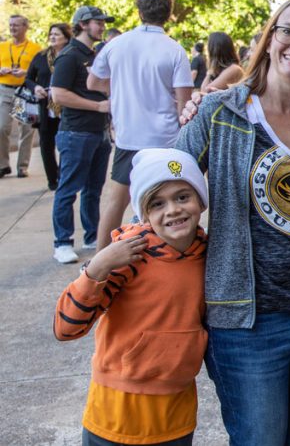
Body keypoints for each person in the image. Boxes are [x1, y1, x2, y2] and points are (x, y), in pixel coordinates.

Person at [176, 0, 290, 446]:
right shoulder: (221, 112)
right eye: (289, 31)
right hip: (249, 320)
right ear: (270, 39)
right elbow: (162, 181)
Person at [54, 147, 209, 446]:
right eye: (158, 203)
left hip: (175, 412)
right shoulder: (129, 255)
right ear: (144, 212)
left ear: (201, 201)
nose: (173, 210)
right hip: (115, 412)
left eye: (182, 197)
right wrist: (97, 267)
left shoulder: (207, 254)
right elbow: (67, 328)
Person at [89, 0, 194, 250]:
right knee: (168, 203)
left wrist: (122, 89)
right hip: (165, 139)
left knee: (116, 201)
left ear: (139, 12)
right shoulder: (174, 50)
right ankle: (166, 254)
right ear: (168, 15)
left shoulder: (116, 44)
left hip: (129, 136)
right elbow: (184, 105)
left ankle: (99, 260)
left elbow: (93, 82)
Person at [50, 6, 114, 264]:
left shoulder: (94, 54)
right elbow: (58, 94)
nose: (102, 27)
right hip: (76, 132)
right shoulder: (69, 56)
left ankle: (91, 235)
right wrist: (98, 106)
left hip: (98, 132)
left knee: (93, 190)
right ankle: (62, 242)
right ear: (84, 24)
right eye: (98, 23)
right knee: (68, 189)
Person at [25, 22, 72, 190]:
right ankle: (53, 179)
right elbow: (28, 78)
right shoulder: (41, 56)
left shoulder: (70, 56)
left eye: (57, 34)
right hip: (46, 107)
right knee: (46, 144)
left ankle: (63, 175)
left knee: (66, 144)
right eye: (51, 34)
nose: (52, 37)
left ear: (66, 38)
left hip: (67, 107)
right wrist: (36, 87)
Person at [0, 14, 42, 178]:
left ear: (25, 27)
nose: (12, 28)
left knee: (26, 129)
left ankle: (22, 166)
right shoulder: (3, 47)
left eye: (16, 25)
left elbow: (40, 72)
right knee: (2, 127)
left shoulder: (35, 49)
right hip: (5, 90)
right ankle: (3, 165)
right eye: (10, 25)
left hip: (25, 93)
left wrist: (26, 73)